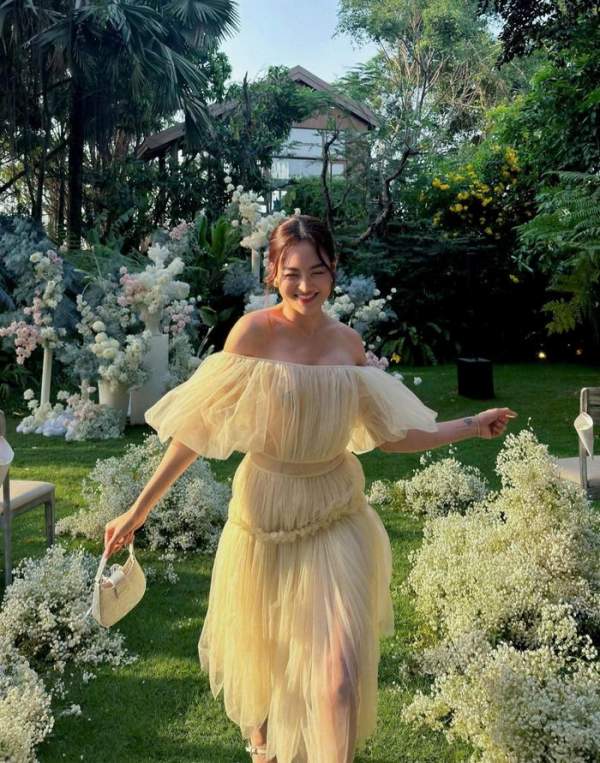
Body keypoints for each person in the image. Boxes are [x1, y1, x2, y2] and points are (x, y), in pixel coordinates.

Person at [103, 215, 518, 763]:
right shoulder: (251, 335)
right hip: (265, 515)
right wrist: (138, 510)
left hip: (336, 513)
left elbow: (391, 435)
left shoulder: (348, 344)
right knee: (265, 677)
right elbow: (198, 430)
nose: (305, 285)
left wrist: (470, 425)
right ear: (273, 273)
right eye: (292, 272)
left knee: (340, 677)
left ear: (334, 270)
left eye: (317, 271)